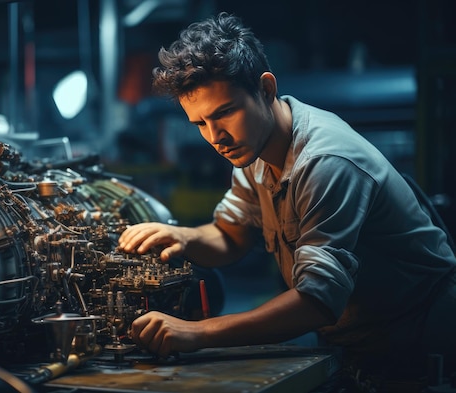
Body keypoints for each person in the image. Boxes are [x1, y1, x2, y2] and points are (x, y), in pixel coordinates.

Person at [118, 11, 456, 388]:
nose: (216, 137)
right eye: (200, 123)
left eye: (225, 112)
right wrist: (182, 237)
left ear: (265, 89)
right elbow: (230, 236)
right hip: (357, 341)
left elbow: (317, 301)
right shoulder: (252, 151)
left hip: (424, 344)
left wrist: (198, 332)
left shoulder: (326, 162)